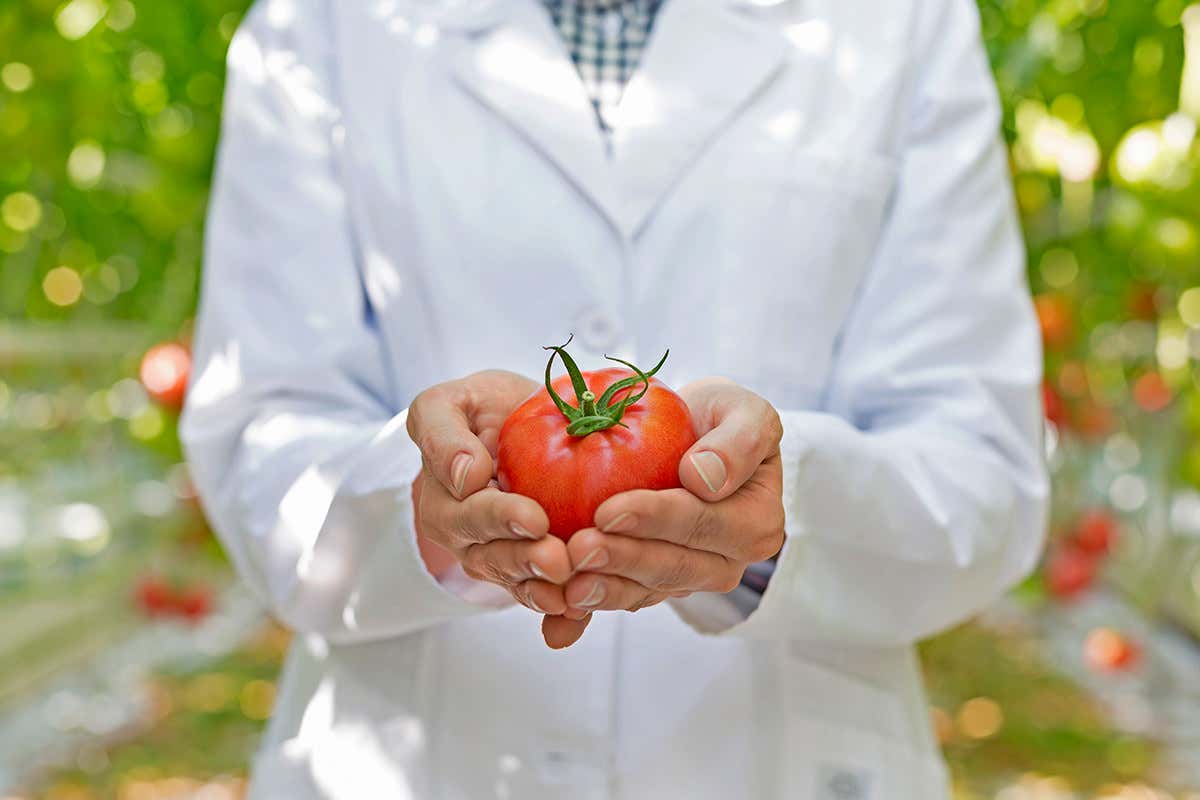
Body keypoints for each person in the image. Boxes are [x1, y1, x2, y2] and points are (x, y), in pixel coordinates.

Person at [180, 0, 1049, 796]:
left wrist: (787, 505)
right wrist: (416, 505)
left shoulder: (901, 22)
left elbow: (985, 472)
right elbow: (260, 432)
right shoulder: (324, 24)